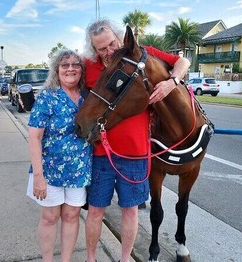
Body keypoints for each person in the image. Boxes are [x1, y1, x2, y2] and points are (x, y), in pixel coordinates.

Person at [83, 19, 190, 262]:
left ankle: (124, 259)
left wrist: (171, 83)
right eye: (102, 49)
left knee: (130, 211)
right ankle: (91, 258)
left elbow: (182, 61)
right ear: (93, 50)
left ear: (120, 37)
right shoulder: (89, 66)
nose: (109, 51)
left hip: (135, 154)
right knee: (96, 211)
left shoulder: (143, 55)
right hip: (102, 154)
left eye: (112, 43)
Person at [26, 49, 92, 262]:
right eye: (65, 65)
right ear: (56, 70)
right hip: (49, 170)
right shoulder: (47, 97)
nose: (70, 69)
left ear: (82, 70)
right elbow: (34, 137)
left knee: (72, 216)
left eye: (75, 64)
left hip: (79, 170)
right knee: (50, 218)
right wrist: (38, 176)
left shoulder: (88, 97)